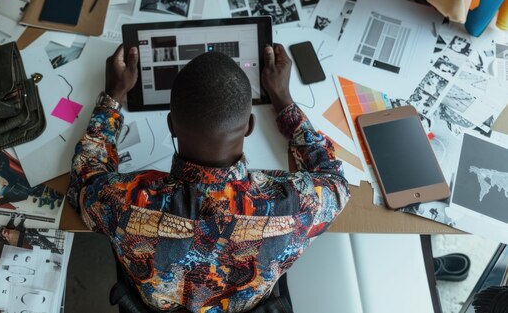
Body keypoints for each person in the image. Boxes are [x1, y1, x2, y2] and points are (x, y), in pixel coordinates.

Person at [68, 45, 350, 312]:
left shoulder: (123, 202)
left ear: (171, 126)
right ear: (249, 126)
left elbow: (84, 179)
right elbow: (334, 178)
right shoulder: (297, 205)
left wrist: (113, 97)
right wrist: (284, 100)